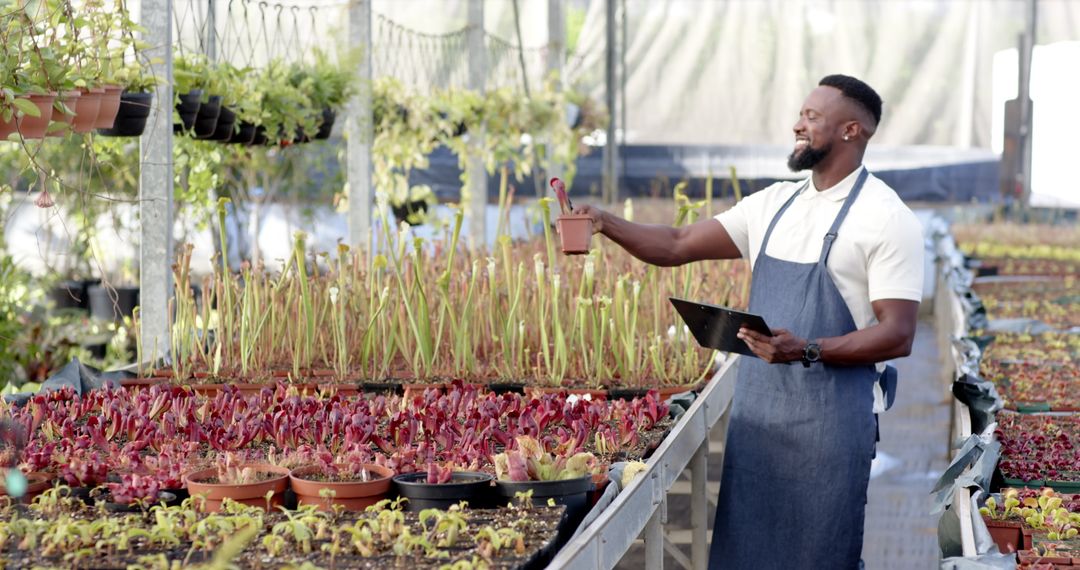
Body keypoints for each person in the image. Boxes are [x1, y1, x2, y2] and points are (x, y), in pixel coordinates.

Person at [571, 74, 924, 569]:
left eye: (812, 117)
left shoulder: (887, 218)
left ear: (851, 131)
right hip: (759, 423)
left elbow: (898, 333)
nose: (797, 125)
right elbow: (675, 245)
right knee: (745, 553)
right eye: (801, 114)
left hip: (831, 427)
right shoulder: (775, 203)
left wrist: (806, 350)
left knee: (817, 554)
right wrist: (604, 222)